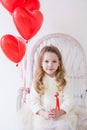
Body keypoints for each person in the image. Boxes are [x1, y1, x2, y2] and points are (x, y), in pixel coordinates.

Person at [30, 45, 78, 130]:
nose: (50, 64)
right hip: (43, 114)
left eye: (54, 61)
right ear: (41, 63)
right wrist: (43, 113)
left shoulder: (64, 80)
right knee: (41, 127)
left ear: (59, 63)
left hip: (61, 114)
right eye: (46, 61)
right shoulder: (37, 81)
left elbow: (69, 100)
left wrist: (60, 112)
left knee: (64, 127)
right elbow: (34, 101)